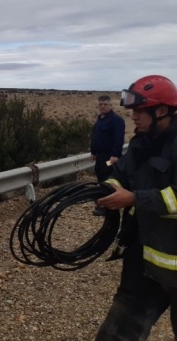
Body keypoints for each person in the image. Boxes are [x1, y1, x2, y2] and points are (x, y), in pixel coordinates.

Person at [95, 75, 177, 340]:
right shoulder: (142, 143)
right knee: (117, 334)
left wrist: (133, 199)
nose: (134, 117)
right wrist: (110, 188)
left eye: (140, 111)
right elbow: (121, 173)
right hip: (144, 263)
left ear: (162, 110)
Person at [90, 95, 125, 216]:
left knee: (107, 179)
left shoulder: (116, 120)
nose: (103, 106)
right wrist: (93, 152)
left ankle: (108, 206)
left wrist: (115, 155)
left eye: (105, 104)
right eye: (101, 104)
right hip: (99, 156)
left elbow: (118, 138)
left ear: (111, 105)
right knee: (100, 177)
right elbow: (95, 137)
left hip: (110, 157)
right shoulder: (100, 119)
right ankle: (102, 203)